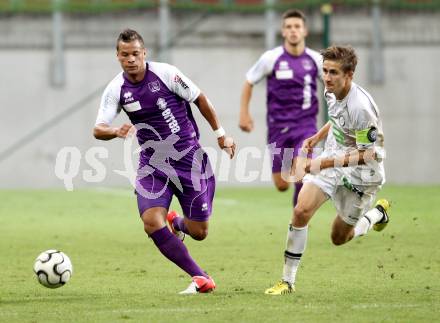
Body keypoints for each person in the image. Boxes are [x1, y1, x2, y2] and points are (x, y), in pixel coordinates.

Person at [93, 29, 236, 294]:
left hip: (189, 160)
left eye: (135, 54)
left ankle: (178, 222)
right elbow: (98, 128)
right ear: (117, 56)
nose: (131, 59)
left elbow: (200, 99)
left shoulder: (167, 74)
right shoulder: (116, 89)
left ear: (144, 53)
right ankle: (200, 277)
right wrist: (115, 131)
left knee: (199, 232)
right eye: (125, 55)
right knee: (150, 221)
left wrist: (221, 135)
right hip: (153, 164)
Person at [265, 45, 390, 295]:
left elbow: (367, 154)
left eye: (333, 72)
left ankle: (375, 216)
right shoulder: (331, 91)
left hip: (362, 175)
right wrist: (315, 137)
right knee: (300, 211)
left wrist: (321, 162)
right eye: (325, 71)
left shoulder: (362, 108)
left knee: (338, 237)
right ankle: (287, 281)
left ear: (349, 75)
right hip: (333, 160)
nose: (327, 77)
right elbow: (336, 120)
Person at [239, 9, 322, 205]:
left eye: (297, 27)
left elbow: (332, 83)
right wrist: (244, 114)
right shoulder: (271, 58)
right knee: (282, 184)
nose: (293, 30)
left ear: (305, 31)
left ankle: (298, 221)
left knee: (301, 171)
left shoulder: (316, 60)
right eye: (289, 27)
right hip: (279, 128)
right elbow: (249, 81)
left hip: (306, 126)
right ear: (283, 32)